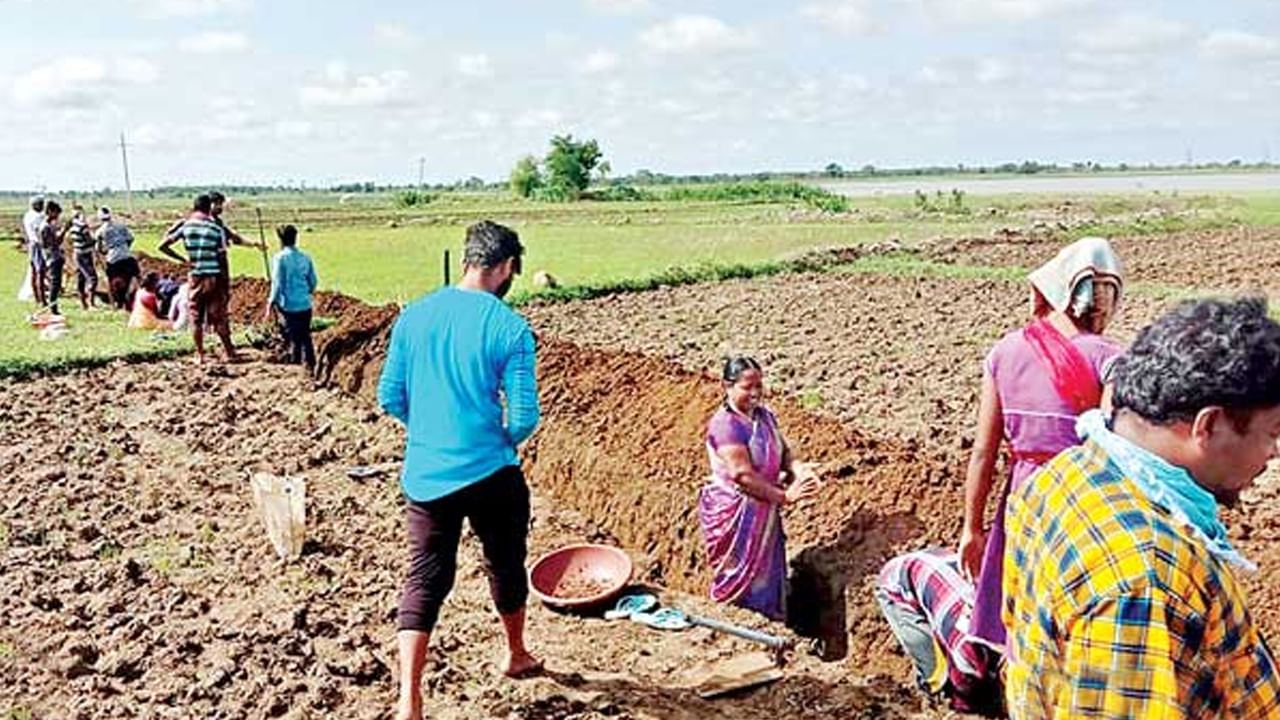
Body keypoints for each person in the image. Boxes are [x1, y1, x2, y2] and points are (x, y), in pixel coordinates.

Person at [1004, 297, 1280, 718]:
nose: (1274, 453)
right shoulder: (1145, 577)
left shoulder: (1065, 473)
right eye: (1273, 433)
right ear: (1207, 426)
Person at [377, 220, 541, 720]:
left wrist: (430, 431)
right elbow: (525, 416)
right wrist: (495, 439)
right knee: (505, 563)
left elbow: (390, 396)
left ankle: (410, 699)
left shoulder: (414, 317)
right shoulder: (510, 327)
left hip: (426, 476)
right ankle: (515, 653)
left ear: (470, 259)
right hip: (492, 472)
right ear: (506, 267)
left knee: (424, 578)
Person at [958, 236, 1123, 651]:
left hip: (1024, 498)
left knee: (1024, 604)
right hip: (1083, 500)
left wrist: (971, 528)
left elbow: (983, 452)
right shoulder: (1111, 357)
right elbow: (1112, 444)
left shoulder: (1004, 352)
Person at [698, 356, 823, 621]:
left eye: (759, 385)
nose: (755, 393)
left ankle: (772, 621)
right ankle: (741, 622)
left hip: (764, 510)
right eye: (747, 387)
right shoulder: (726, 426)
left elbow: (784, 449)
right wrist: (784, 496)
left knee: (768, 570)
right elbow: (742, 475)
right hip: (737, 514)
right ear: (726, 386)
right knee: (740, 573)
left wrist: (798, 469)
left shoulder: (764, 416)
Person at [876, 548, 1002, 716]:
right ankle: (934, 702)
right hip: (895, 584)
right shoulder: (967, 646)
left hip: (937, 563)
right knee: (936, 671)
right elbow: (965, 687)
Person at [158, 194, 237, 365]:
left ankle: (200, 355)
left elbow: (162, 245)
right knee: (219, 316)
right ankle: (229, 352)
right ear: (209, 208)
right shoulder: (216, 229)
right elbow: (222, 258)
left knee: (196, 317)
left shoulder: (186, 227)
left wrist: (182, 259)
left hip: (195, 276)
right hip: (214, 277)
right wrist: (225, 283)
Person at [264, 224, 318, 369]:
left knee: (293, 335)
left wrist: (271, 302)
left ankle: (296, 363)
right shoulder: (306, 257)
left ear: (280, 240)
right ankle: (311, 363)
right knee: (305, 334)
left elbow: (277, 283)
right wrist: (306, 293)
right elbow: (313, 282)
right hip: (305, 303)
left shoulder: (279, 258)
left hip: (288, 305)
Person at [95, 207, 139, 310]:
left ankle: (115, 305)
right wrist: (125, 248)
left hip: (112, 258)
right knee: (133, 278)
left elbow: (99, 249)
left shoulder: (100, 231)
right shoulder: (121, 226)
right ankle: (132, 301)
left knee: (111, 282)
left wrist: (106, 251)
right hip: (126, 256)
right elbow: (131, 238)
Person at [38, 200, 67, 315]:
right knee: (55, 284)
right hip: (53, 258)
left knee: (56, 284)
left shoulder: (49, 226)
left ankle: (53, 307)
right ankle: (53, 309)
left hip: (54, 257)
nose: (57, 216)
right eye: (56, 213)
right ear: (49, 212)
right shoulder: (45, 227)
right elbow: (55, 243)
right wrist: (64, 230)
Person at [68, 205, 97, 309]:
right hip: (85, 254)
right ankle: (91, 303)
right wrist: (94, 239)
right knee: (92, 278)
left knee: (81, 278)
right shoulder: (82, 226)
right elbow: (90, 240)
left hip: (77, 254)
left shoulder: (72, 227)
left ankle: (83, 303)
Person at [22, 195, 46, 306]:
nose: (43, 206)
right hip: (38, 245)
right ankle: (42, 300)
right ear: (36, 205)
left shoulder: (28, 215)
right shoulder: (37, 217)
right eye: (41, 204)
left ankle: (37, 297)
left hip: (32, 244)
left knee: (34, 271)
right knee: (40, 271)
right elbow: (39, 233)